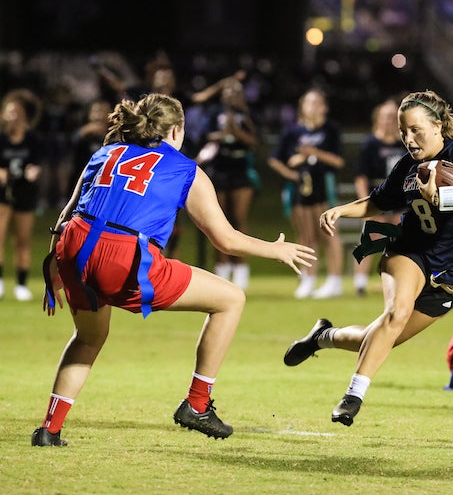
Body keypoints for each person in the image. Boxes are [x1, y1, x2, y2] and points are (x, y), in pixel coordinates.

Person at [32, 93, 316, 447]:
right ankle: (197, 404)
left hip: (74, 249)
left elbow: (65, 216)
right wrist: (274, 249)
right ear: (177, 130)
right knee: (230, 298)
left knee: (88, 338)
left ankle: (49, 429)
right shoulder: (184, 169)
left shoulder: (105, 153)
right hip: (123, 256)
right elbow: (225, 240)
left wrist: (54, 266)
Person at [284, 89, 453, 426]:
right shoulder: (407, 166)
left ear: (439, 126)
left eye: (416, 130)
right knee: (395, 314)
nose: (408, 139)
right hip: (410, 251)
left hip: (452, 272)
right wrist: (342, 210)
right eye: (403, 131)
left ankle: (322, 337)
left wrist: (443, 195)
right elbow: (378, 201)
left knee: (380, 336)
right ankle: (353, 395)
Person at [268, 88, 346, 299]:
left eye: (318, 102)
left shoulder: (330, 130)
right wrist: (291, 174)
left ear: (324, 107)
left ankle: (334, 280)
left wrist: (315, 153)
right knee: (305, 235)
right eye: (309, 103)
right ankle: (308, 279)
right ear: (302, 107)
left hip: (323, 184)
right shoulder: (292, 132)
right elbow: (276, 159)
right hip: (300, 187)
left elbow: (338, 161)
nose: (314, 107)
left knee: (329, 233)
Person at [195, 78, 259, 289]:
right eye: (228, 91)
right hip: (219, 169)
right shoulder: (215, 113)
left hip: (240, 170)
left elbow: (256, 141)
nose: (232, 95)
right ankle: (221, 269)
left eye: (236, 91)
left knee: (239, 220)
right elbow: (204, 136)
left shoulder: (248, 114)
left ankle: (240, 269)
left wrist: (237, 131)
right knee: (219, 221)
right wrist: (223, 134)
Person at [352, 98, 406, 296]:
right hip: (378, 195)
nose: (388, 120)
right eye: (385, 116)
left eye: (393, 117)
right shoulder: (370, 144)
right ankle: (360, 283)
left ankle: (399, 280)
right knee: (372, 237)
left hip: (400, 198)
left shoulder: (404, 144)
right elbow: (361, 176)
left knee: (401, 240)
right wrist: (366, 202)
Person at [0, 88, 44, 301]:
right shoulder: (1, 138)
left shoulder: (33, 139)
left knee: (22, 240)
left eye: (17, 112)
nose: (13, 116)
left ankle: (21, 284)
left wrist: (33, 171)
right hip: (3, 193)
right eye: (10, 112)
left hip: (25, 193)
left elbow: (37, 163)